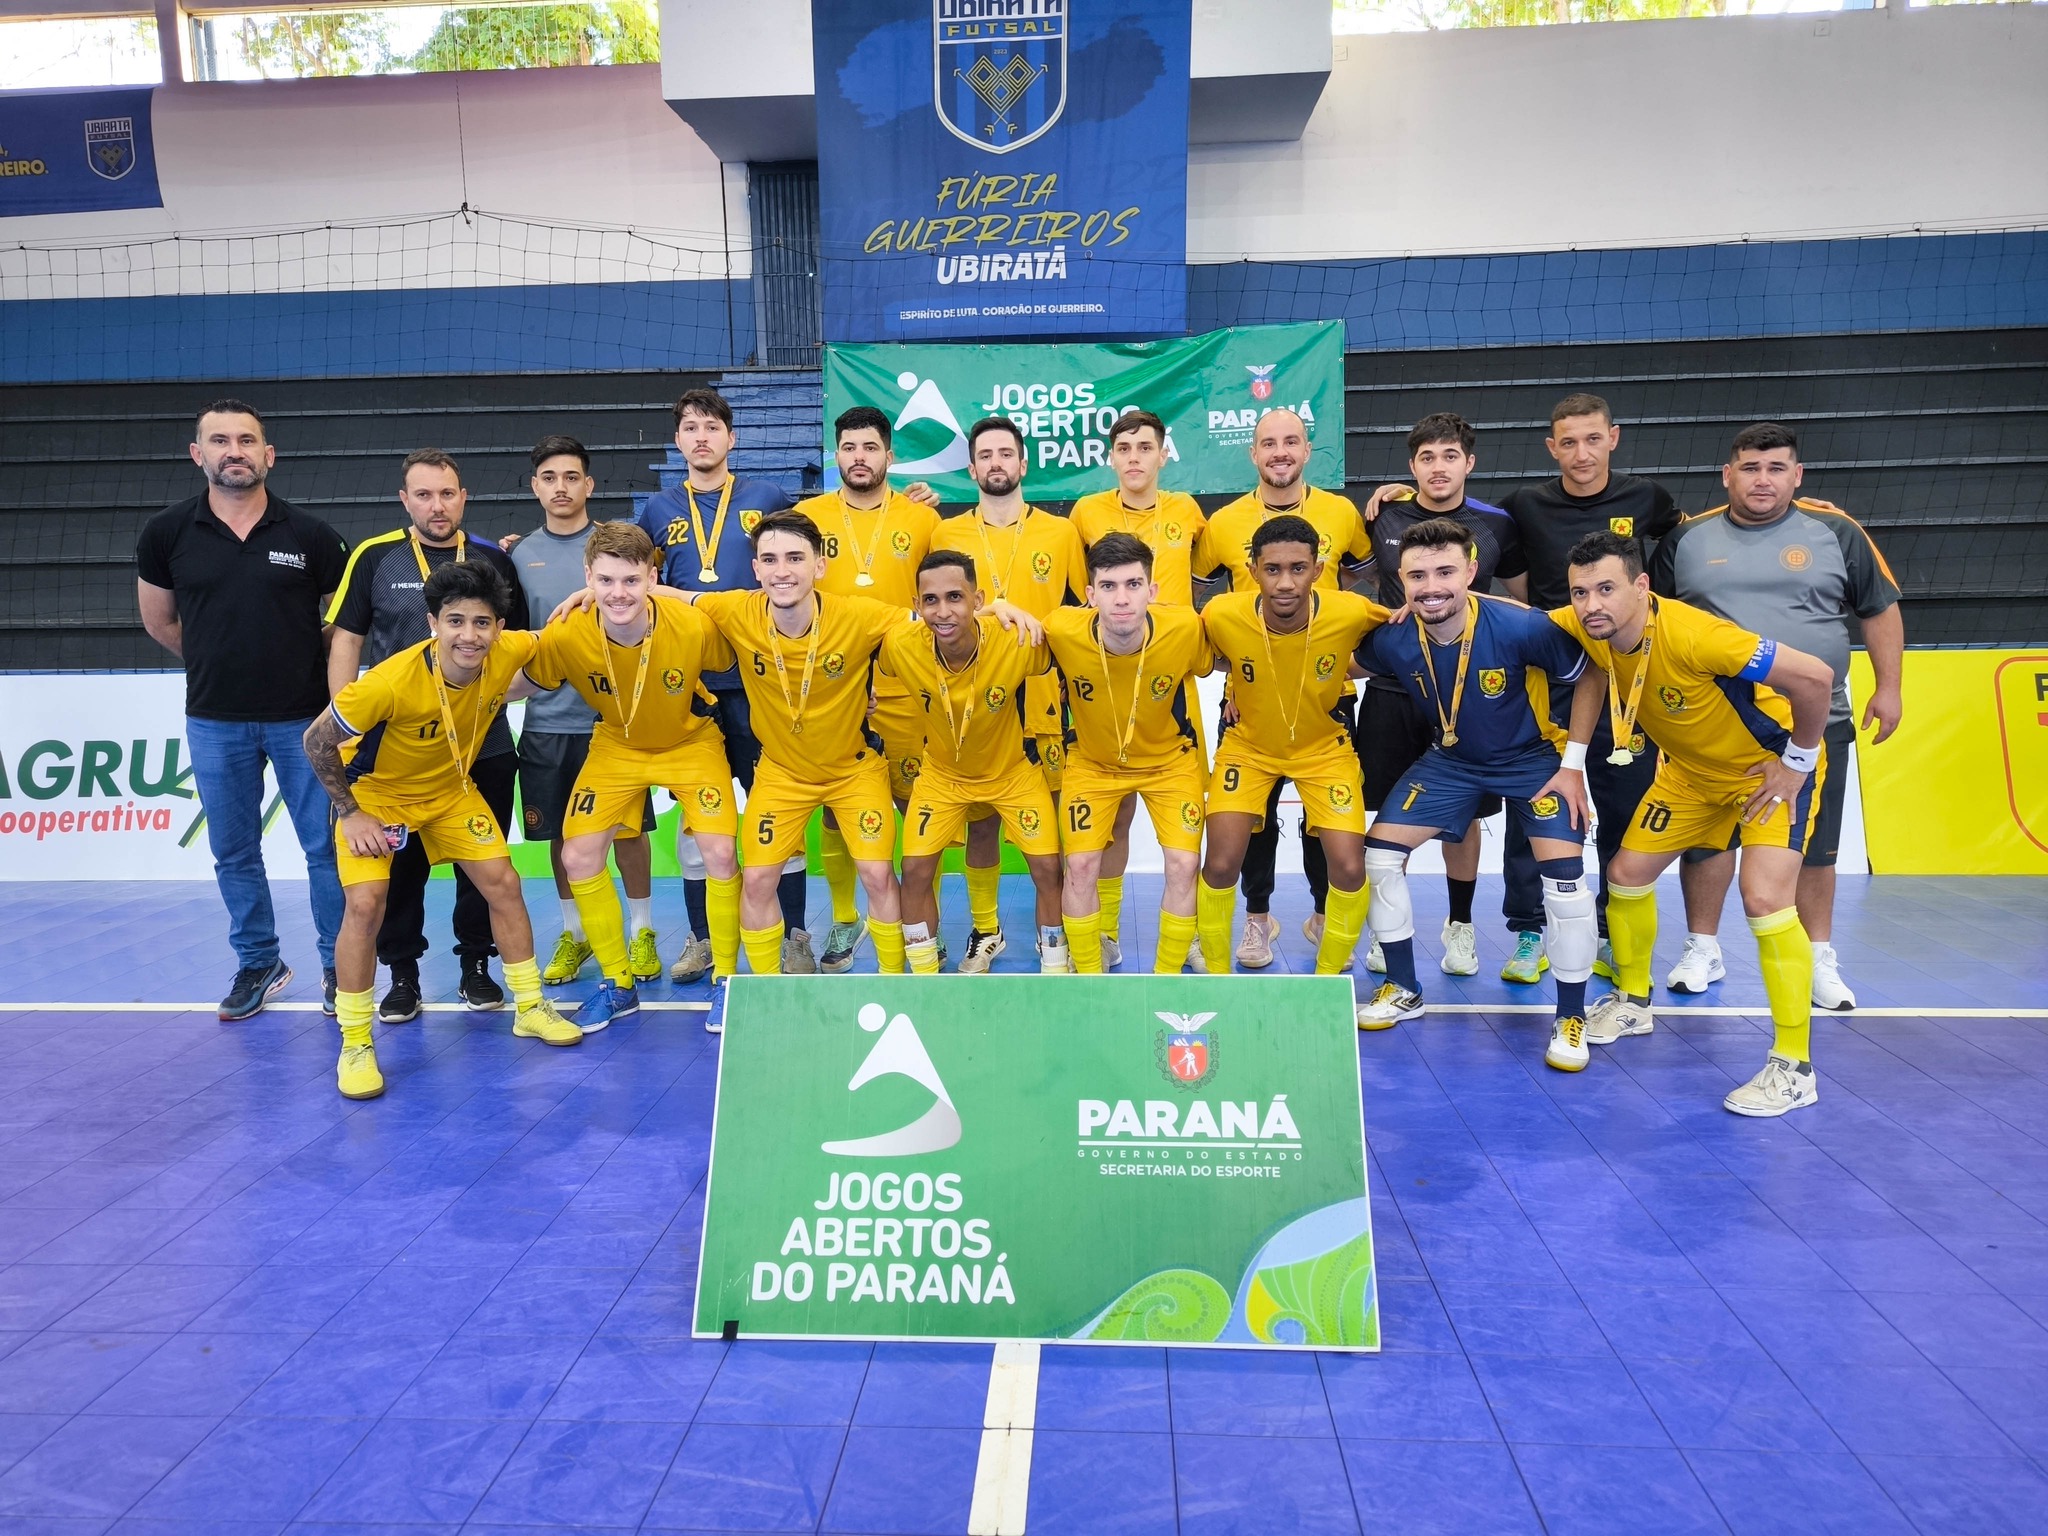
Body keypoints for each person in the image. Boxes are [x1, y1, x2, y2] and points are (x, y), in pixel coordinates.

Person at [680, 511, 1039, 975]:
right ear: (756, 570)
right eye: (769, 560)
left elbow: (940, 614)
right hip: (781, 775)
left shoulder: (860, 614)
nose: (782, 570)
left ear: (819, 565)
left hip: (853, 770)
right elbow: (673, 596)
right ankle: (760, 993)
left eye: (795, 558)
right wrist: (602, 595)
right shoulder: (733, 609)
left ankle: (892, 983)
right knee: (758, 880)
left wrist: (996, 608)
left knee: (877, 874)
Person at [1557, 531, 1836, 1116]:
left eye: (1606, 589)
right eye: (1580, 593)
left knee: (1764, 900)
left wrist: (1797, 764)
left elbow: (1813, 677)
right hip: (1687, 775)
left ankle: (1795, 1065)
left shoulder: (1697, 635)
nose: (1591, 605)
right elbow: (1506, 616)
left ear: (1641, 586)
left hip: (1764, 773)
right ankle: (1633, 1001)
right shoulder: (1593, 625)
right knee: (1626, 872)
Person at [301, 562, 582, 1100]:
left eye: (482, 623)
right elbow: (317, 741)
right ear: (433, 622)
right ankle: (356, 1043)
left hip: (452, 790)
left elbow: (562, 631)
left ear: (499, 627)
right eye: (455, 621)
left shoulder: (507, 651)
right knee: (366, 904)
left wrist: (591, 588)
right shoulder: (387, 682)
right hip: (378, 796)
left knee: (503, 884)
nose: (469, 635)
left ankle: (529, 1006)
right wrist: (351, 812)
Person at [1650, 423, 1903, 1009]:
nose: (1762, 481)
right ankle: (1702, 948)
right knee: (1709, 840)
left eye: (1776, 469)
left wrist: (1889, 688)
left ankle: (1818, 959)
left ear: (1797, 475)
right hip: (1714, 725)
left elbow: (1879, 610)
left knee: (1816, 847)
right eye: (1750, 468)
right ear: (1727, 474)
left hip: (1816, 722)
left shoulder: (1838, 532)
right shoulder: (1686, 541)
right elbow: (1653, 621)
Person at [1352, 520, 1604, 1073]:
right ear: (1401, 579)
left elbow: (1591, 677)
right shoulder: (1395, 636)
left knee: (1565, 889)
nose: (1431, 586)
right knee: (1380, 857)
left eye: (1445, 571)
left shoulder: (1520, 627)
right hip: (1450, 762)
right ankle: (1404, 987)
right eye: (1417, 575)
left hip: (1534, 761)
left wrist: (1573, 766)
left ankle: (1570, 1016)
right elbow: (1334, 664)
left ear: (1471, 572)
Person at [136, 400, 348, 1021]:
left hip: (305, 722)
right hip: (214, 720)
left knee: (326, 849)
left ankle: (340, 964)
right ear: (198, 454)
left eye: (248, 440)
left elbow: (343, 628)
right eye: (220, 440)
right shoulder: (166, 533)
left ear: (268, 455)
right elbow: (160, 621)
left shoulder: (311, 534)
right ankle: (260, 962)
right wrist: (218, 662)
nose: (236, 450)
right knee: (234, 850)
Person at [326, 449, 527, 1021]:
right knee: (401, 874)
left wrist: (487, 701)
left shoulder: (493, 558)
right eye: (423, 494)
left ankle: (477, 967)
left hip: (479, 747)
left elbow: (518, 645)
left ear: (463, 497)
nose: (436, 505)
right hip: (397, 752)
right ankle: (403, 975)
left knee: (484, 872)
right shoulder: (375, 557)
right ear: (404, 500)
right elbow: (347, 639)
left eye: (447, 493)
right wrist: (345, 722)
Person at [1492, 394, 1682, 986]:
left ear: (1613, 438)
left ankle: (1606, 932)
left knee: (1624, 805)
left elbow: (1696, 533)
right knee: (1535, 803)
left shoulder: (1647, 498)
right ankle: (1529, 933)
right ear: (1552, 447)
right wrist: (1396, 496)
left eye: (1592, 439)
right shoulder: (1524, 505)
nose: (1581, 452)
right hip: (1548, 682)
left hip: (1625, 682)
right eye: (1568, 442)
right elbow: (1462, 522)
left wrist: (1794, 509)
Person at [524, 522, 742, 1032]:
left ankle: (727, 982)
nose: (617, 593)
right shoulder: (568, 631)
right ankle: (619, 985)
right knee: (577, 855)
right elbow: (518, 682)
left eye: (630, 580)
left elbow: (739, 649)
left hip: (690, 742)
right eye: (604, 581)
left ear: (651, 577)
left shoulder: (691, 626)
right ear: (587, 578)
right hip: (617, 746)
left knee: (721, 853)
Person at [635, 388, 812, 971]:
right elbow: (633, 581)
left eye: (712, 426)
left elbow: (805, 556)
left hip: (763, 682)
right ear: (679, 441)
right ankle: (703, 939)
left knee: (775, 811)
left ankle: (793, 938)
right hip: (690, 688)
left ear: (732, 439)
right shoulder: (658, 511)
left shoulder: (767, 498)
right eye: (690, 427)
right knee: (697, 818)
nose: (702, 436)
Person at [1194, 408, 1372, 970]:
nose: (1279, 452)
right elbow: (1198, 615)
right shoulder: (1223, 527)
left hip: (1326, 711)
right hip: (1248, 714)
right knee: (1249, 831)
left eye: (1290, 441)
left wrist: (1343, 659)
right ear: (1253, 452)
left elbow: (1384, 608)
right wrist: (1239, 666)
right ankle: (1255, 920)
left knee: (1336, 847)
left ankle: (1325, 922)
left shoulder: (1341, 516)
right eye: (1267, 442)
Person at [1353, 412, 1528, 977]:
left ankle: (1460, 927)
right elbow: (1353, 584)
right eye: (1426, 458)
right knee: (1386, 812)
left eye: (1450, 456)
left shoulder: (1496, 522)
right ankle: (1388, 928)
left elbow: (1521, 600)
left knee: (1467, 816)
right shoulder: (1383, 515)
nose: (1438, 468)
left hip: (1471, 690)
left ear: (1469, 463)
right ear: (1412, 466)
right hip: (1393, 685)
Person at [928, 416, 1087, 968]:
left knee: (1053, 826)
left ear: (1023, 464)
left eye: (1006, 454)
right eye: (985, 456)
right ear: (971, 469)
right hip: (972, 698)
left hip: (1043, 696)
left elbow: (1077, 615)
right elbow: (925, 617)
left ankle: (1056, 939)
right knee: (982, 817)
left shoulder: (1062, 533)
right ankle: (986, 930)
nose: (996, 463)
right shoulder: (944, 534)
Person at [507, 436, 662, 990]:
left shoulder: (617, 547)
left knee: (627, 833)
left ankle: (642, 930)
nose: (561, 487)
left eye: (572, 476)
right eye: (549, 477)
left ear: (589, 485)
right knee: (561, 839)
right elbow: (521, 642)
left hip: (615, 722)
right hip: (548, 723)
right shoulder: (519, 554)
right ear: (535, 486)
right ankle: (575, 934)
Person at [794, 407, 942, 972]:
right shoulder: (807, 516)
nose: (860, 456)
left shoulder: (922, 519)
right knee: (835, 812)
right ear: (836, 455)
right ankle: (845, 917)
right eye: (849, 446)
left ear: (890, 456)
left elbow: (943, 597)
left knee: (915, 808)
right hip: (836, 691)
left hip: (908, 690)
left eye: (870, 447)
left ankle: (919, 927)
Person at [883, 550, 1067, 973]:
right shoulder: (900, 646)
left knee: (1047, 869)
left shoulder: (1015, 639)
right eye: (930, 600)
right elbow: (855, 661)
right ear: (916, 605)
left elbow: (1073, 642)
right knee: (913, 871)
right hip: (942, 777)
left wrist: (1009, 608)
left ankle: (1056, 966)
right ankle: (926, 976)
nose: (943, 611)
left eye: (955, 597)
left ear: (977, 599)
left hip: (1012, 775)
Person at [1069, 408, 1207, 970]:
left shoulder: (1189, 512)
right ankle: (1101, 931)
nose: (1134, 458)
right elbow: (1074, 593)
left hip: (1168, 678)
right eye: (1123, 448)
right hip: (1106, 675)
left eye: (1144, 447)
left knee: (1184, 849)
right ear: (1111, 457)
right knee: (1114, 821)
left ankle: (1187, 936)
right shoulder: (1086, 512)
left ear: (1162, 453)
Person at [1045, 533, 1211, 975]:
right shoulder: (1061, 628)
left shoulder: (1185, 628)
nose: (1122, 599)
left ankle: (1166, 978)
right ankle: (1090, 973)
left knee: (1183, 862)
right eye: (1109, 586)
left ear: (1152, 591)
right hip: (1093, 763)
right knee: (1078, 864)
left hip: (1168, 764)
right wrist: (997, 606)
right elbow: (1000, 630)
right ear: (1089, 595)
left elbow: (1228, 656)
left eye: (1134, 585)